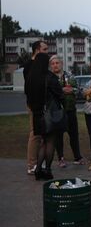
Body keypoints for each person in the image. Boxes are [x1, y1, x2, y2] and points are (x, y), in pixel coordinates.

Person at [27, 53, 64, 180]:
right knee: (50, 142)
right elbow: (60, 94)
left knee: (43, 141)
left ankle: (38, 169)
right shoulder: (49, 77)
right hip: (50, 114)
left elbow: (28, 97)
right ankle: (47, 169)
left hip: (37, 115)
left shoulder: (30, 78)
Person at [49, 56, 84, 167]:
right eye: (53, 63)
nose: (55, 65)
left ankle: (77, 157)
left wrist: (72, 90)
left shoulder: (69, 75)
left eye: (57, 63)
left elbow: (79, 90)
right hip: (56, 111)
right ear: (50, 66)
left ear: (62, 63)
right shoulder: (49, 78)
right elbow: (48, 92)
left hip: (70, 110)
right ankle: (61, 159)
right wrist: (62, 90)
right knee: (58, 136)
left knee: (74, 134)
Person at [23, 40, 49, 175]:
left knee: (42, 133)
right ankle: (32, 164)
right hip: (34, 104)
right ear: (37, 50)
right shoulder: (29, 66)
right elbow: (31, 87)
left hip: (42, 104)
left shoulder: (42, 64)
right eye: (45, 49)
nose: (47, 52)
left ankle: (39, 161)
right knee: (35, 133)